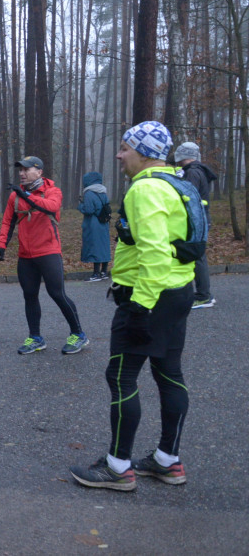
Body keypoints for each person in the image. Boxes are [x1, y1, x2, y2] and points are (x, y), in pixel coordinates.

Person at [70, 121, 195, 491]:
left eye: (125, 147)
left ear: (143, 153)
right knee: (169, 373)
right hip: (177, 293)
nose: (119, 154)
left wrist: (139, 308)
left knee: (121, 377)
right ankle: (167, 462)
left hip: (148, 297)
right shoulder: (178, 183)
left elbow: (155, 253)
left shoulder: (145, 190)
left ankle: (117, 467)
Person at [0, 156, 87, 355]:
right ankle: (35, 338)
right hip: (26, 256)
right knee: (30, 295)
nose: (22, 173)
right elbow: (7, 221)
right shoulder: (16, 196)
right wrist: (2, 244)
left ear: (39, 171)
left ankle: (78, 334)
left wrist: (26, 195)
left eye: (26, 169)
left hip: (48, 252)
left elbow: (50, 207)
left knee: (57, 294)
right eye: (20, 169)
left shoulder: (52, 191)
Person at [174, 141, 217, 308]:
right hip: (201, 218)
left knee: (197, 256)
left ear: (182, 156)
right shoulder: (199, 171)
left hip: (197, 220)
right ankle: (203, 294)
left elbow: (188, 196)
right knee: (198, 256)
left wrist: (178, 181)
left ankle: (203, 295)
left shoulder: (192, 172)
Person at [78, 171, 112, 281]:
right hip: (104, 222)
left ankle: (96, 274)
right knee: (104, 246)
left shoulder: (89, 193)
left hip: (93, 224)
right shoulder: (103, 191)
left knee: (95, 247)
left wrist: (80, 206)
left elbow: (89, 210)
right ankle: (104, 272)